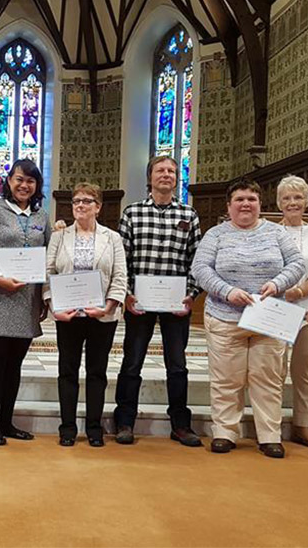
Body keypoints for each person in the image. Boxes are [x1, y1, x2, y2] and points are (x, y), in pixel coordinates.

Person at [191, 179, 305, 458]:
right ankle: (225, 432)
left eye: (251, 199)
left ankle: (268, 435)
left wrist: (277, 284)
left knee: (267, 379)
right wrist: (227, 291)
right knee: (226, 380)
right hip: (225, 316)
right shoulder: (216, 235)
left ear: (259, 204)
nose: (245, 204)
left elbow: (298, 264)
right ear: (229, 206)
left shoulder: (276, 232)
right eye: (239, 199)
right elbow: (200, 268)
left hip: (267, 317)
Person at [114, 156, 203, 447]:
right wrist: (126, 294)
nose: (166, 175)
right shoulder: (132, 213)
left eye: (172, 171)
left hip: (177, 305)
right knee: (132, 363)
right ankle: (125, 421)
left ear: (177, 178)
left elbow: (198, 262)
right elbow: (122, 260)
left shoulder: (189, 215)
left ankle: (180, 424)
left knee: (177, 366)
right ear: (149, 177)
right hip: (139, 302)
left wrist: (191, 295)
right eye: (160, 170)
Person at [0, 159, 51, 445]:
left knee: (15, 364)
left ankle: (8, 422)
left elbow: (48, 254)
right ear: (9, 181)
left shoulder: (42, 216)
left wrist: (44, 295)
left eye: (30, 181)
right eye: (19, 179)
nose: (24, 185)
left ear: (36, 186)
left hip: (27, 298)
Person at [44, 183, 127, 447]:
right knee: (67, 371)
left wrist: (108, 307)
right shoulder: (59, 237)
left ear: (98, 207)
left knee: (97, 373)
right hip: (68, 316)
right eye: (77, 201)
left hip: (101, 316)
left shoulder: (112, 238)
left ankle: (94, 428)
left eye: (87, 201)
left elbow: (120, 276)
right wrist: (54, 307)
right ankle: (67, 427)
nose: (81, 205)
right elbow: (48, 273)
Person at [276, 175, 308, 449]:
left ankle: (302, 425)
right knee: (273, 370)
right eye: (286, 198)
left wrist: (298, 291)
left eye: (297, 197)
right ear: (279, 203)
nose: (292, 203)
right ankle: (271, 425)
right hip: (279, 310)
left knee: (305, 370)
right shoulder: (271, 232)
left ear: (306, 201)